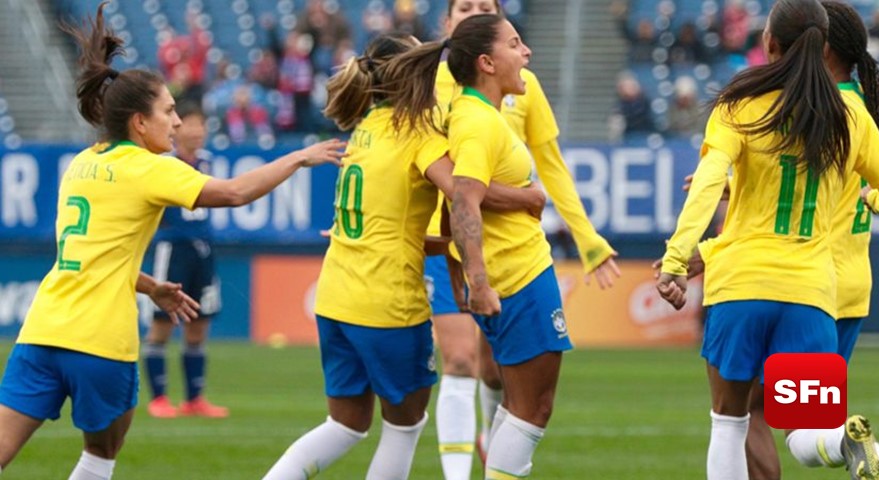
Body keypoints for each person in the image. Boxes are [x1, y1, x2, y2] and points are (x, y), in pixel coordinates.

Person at [0, 4, 345, 478]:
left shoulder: (82, 162)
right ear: (139, 123)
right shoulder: (151, 167)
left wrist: (150, 286)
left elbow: (89, 254)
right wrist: (298, 157)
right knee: (99, 456)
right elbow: (235, 192)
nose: (178, 122)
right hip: (100, 340)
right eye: (168, 111)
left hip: (41, 330)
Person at [654, 1, 879, 479]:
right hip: (812, 293)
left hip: (740, 287)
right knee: (804, 431)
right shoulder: (850, 117)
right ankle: (845, 442)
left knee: (730, 423)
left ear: (768, 45)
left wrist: (677, 257)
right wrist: (870, 200)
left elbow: (710, 181)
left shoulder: (739, 105)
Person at [261, 32, 544, 480]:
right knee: (406, 426)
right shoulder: (417, 135)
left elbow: (391, 226)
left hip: (335, 298)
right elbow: (465, 193)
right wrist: (527, 198)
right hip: (386, 305)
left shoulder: (365, 128)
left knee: (345, 425)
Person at [381, 13, 596, 479]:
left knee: (519, 405)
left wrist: (462, 274)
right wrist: (476, 281)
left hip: (512, 275)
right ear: (487, 62)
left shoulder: (477, 115)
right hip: (517, 278)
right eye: (515, 44)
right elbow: (464, 201)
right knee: (532, 409)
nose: (527, 53)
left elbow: (457, 202)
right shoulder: (479, 122)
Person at [744, 3, 879, 479]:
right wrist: (872, 201)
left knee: (752, 411)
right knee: (800, 417)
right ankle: (865, 456)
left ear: (818, 47)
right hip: (853, 288)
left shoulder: (818, 110)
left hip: (812, 285)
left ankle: (846, 441)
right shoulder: (859, 105)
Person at [142, 103, 229, 419]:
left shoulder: (206, 162)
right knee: (162, 324)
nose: (196, 131)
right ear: (177, 129)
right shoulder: (164, 164)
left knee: (199, 325)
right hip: (173, 249)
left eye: (201, 125)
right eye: (190, 124)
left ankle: (194, 398)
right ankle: (159, 398)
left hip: (203, 249)